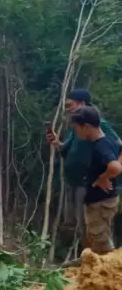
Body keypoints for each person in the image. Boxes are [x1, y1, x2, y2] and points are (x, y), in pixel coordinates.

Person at [46, 89, 122, 250]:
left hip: (89, 185)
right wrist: (56, 143)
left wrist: (106, 176)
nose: (66, 109)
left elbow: (118, 151)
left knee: (94, 227)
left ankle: (103, 262)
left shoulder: (98, 126)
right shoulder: (77, 126)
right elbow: (66, 150)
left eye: (69, 105)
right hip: (74, 181)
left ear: (81, 104)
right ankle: (88, 257)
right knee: (83, 224)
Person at [69, 105, 122, 255]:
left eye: (76, 128)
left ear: (85, 126)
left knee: (101, 240)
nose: (76, 132)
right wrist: (106, 174)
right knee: (96, 235)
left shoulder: (101, 146)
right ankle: (94, 264)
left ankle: (108, 271)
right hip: (100, 201)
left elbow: (116, 168)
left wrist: (103, 177)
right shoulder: (108, 140)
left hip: (101, 202)